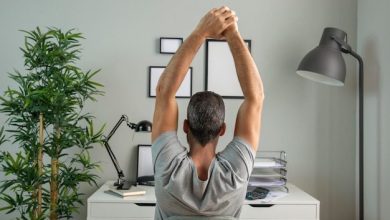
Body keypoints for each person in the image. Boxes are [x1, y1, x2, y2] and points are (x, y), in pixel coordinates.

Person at [151, 6, 264, 220]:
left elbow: (164, 93)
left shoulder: (168, 167)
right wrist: (233, 33)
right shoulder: (235, 172)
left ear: (186, 126)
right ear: (222, 129)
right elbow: (255, 97)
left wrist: (200, 32)